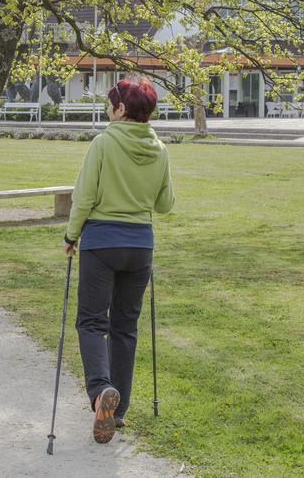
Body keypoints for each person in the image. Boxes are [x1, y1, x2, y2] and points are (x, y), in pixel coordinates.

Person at [63, 77, 175, 445]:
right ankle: (119, 409)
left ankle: (100, 393)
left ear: (121, 109)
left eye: (111, 102)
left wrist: (70, 235)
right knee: (125, 327)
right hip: (140, 245)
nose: (108, 107)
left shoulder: (104, 143)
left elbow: (84, 196)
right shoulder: (159, 148)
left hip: (101, 242)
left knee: (92, 322)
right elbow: (165, 204)